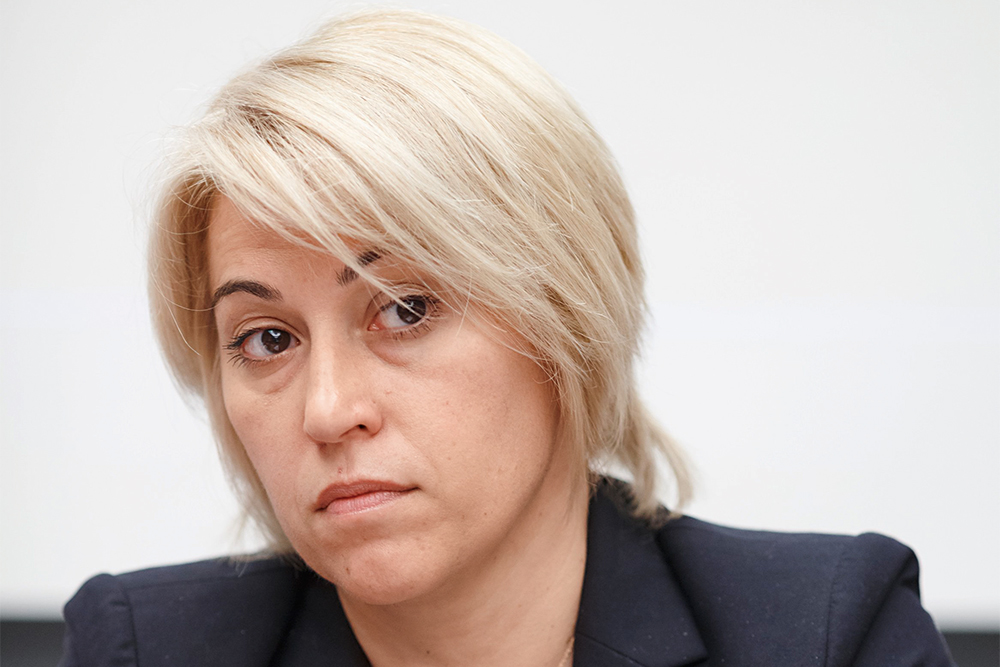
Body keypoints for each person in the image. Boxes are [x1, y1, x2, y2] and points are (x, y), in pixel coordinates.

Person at [60, 8, 953, 666]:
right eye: (265, 339)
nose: (328, 410)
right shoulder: (144, 648)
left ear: (565, 315)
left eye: (404, 307)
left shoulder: (824, 634)